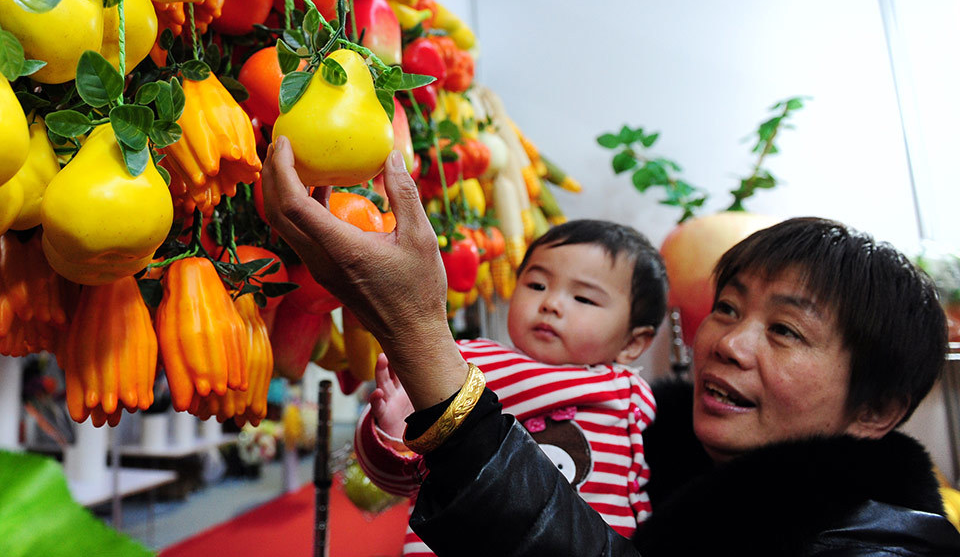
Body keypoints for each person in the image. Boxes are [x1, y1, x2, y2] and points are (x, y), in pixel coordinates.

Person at [261, 139, 960, 556]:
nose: (728, 343)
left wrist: (419, 332)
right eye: (726, 307)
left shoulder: (877, 542)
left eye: (784, 329)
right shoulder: (657, 443)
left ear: (876, 406)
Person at [356, 220, 667, 554]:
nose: (551, 303)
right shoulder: (463, 364)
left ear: (633, 343)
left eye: (583, 298)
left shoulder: (634, 396)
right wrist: (393, 434)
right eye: (536, 285)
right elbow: (398, 482)